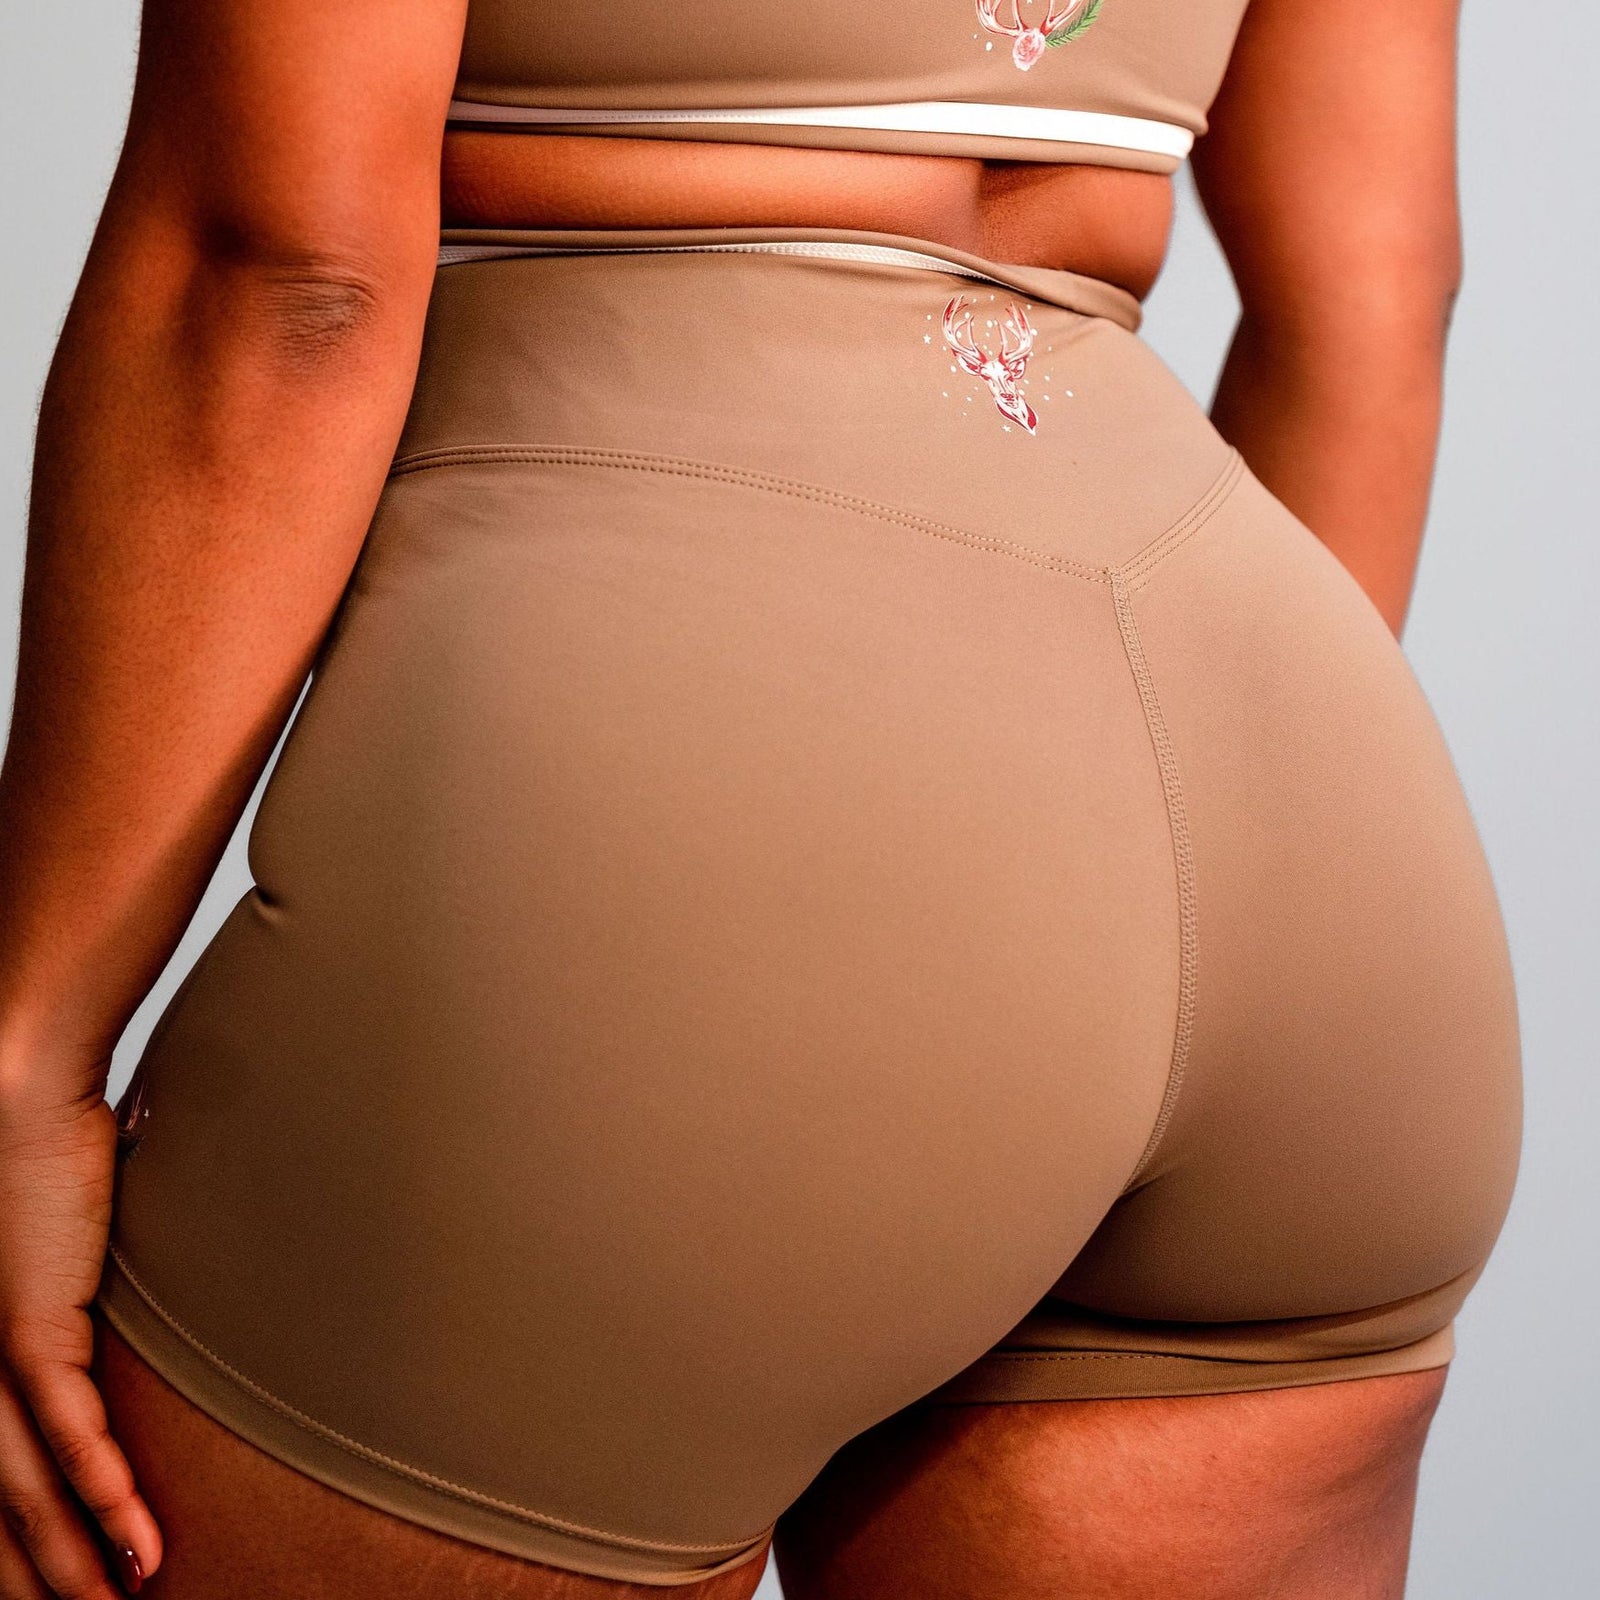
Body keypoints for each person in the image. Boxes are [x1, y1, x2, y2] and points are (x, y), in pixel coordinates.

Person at [0, 0, 1523, 1595]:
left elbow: (278, 276)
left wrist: (33, 1053)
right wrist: (1130, 879)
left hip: (679, 780)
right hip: (1299, 794)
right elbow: (1376, 305)